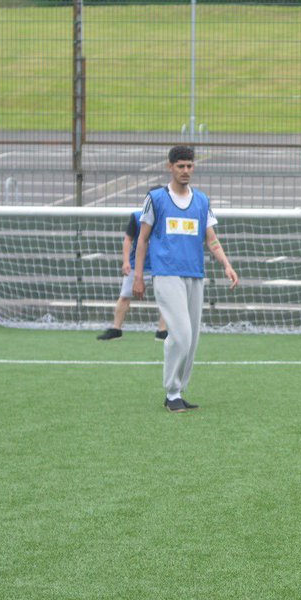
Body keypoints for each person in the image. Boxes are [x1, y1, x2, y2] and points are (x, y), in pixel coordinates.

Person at [132, 146, 239, 412]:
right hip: (166, 273)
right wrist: (138, 275)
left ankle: (178, 390)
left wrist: (226, 264)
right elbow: (142, 239)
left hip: (195, 274)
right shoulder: (156, 198)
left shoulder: (202, 201)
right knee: (181, 334)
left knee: (193, 339)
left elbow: (211, 240)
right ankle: (171, 393)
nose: (185, 171)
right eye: (180, 166)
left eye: (189, 166)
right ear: (170, 167)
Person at [98, 204, 168, 341]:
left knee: (166, 298)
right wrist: (126, 261)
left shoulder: (169, 218)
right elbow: (128, 239)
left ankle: (162, 331)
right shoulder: (137, 216)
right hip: (137, 265)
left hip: (160, 265)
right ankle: (116, 329)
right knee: (124, 296)